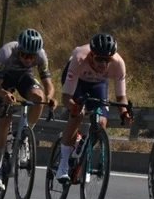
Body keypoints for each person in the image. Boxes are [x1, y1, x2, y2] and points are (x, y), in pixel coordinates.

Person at [55, 33, 133, 184]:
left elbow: (121, 97)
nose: (103, 64)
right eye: (99, 59)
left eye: (107, 60)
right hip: (77, 82)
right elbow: (65, 97)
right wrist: (74, 106)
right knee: (78, 114)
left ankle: (81, 148)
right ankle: (62, 166)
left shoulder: (118, 64)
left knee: (102, 123)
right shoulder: (79, 58)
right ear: (91, 55)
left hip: (98, 84)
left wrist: (124, 113)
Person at [0, 29, 55, 192]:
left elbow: (48, 84)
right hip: (5, 81)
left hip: (24, 78)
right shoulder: (6, 53)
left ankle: (25, 136)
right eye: (25, 55)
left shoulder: (41, 55)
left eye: (32, 57)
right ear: (19, 50)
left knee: (38, 98)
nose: (29, 59)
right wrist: (5, 94)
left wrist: (51, 97)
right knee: (5, 118)